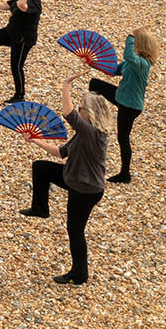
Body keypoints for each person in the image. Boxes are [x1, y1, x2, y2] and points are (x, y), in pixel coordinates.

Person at [21, 76, 112, 285]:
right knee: (41, 167)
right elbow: (61, 153)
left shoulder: (93, 133)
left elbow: (67, 113)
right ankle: (40, 208)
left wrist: (66, 86)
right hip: (74, 178)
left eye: (82, 107)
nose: (78, 110)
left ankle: (79, 274)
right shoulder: (84, 134)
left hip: (86, 189)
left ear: (89, 112)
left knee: (75, 230)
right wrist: (35, 140)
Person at [88, 27, 155, 183]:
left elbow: (128, 55)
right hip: (121, 97)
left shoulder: (143, 64)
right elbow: (112, 70)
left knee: (123, 138)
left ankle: (125, 174)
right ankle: (94, 118)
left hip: (130, 106)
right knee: (95, 84)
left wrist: (131, 36)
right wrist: (91, 63)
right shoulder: (130, 62)